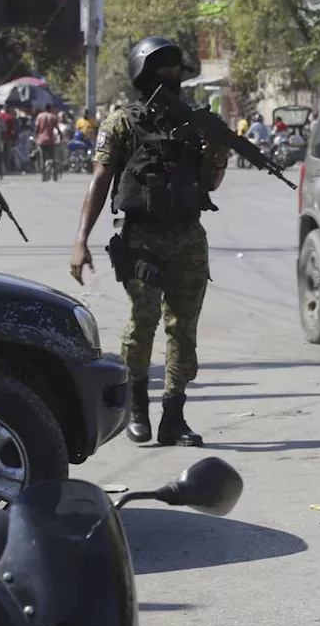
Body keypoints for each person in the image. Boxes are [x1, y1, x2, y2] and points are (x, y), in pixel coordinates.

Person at [69, 36, 230, 447]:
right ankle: (137, 407)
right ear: (144, 73)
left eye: (177, 69)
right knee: (143, 323)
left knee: (184, 329)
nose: (173, 76)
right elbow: (100, 180)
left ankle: (173, 416)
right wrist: (80, 238)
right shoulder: (123, 122)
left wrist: (216, 152)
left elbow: (210, 183)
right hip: (141, 238)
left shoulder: (195, 124)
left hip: (189, 237)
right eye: (164, 68)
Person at [34, 102, 59, 180]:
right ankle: (53, 173)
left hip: (41, 140)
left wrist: (36, 136)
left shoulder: (40, 116)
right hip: (50, 140)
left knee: (42, 158)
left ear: (44, 108)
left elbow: (37, 128)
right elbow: (57, 128)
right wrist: (60, 135)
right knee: (52, 157)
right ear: (50, 108)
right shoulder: (53, 117)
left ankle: (43, 174)